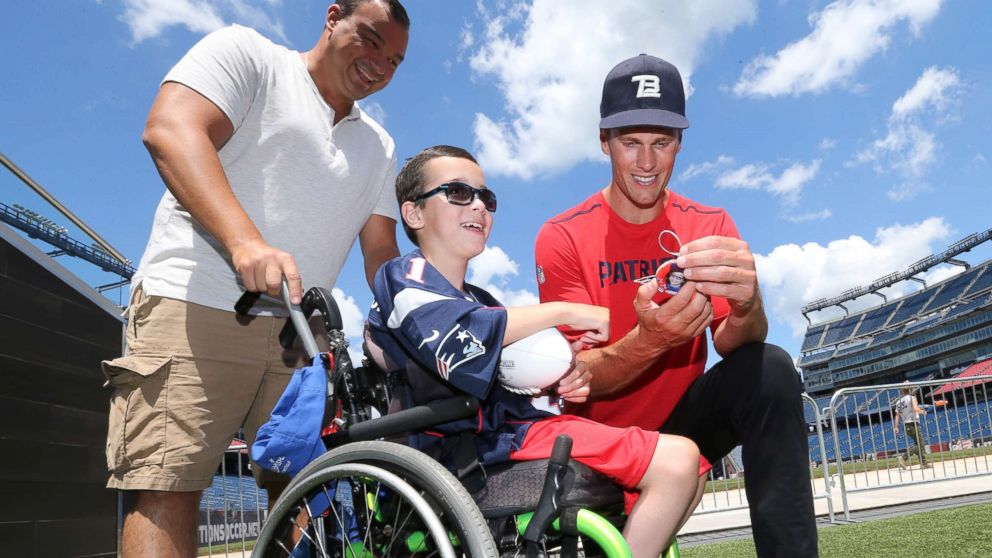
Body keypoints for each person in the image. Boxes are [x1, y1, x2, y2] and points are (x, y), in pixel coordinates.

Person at [102, 2, 409, 556]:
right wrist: (244, 240)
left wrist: (423, 313)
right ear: (333, 16)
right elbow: (171, 129)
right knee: (170, 487)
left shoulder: (379, 146)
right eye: (369, 39)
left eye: (394, 60)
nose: (379, 65)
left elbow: (381, 251)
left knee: (309, 498)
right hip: (195, 303)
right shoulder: (250, 56)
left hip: (303, 340)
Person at [534, 54, 818, 557]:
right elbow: (580, 377)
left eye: (661, 143)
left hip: (680, 423)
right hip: (599, 439)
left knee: (772, 368)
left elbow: (735, 343)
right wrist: (652, 340)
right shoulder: (562, 236)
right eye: (631, 143)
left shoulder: (709, 223)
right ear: (604, 142)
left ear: (680, 144)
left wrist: (749, 302)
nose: (646, 163)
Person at [367, 145, 703, 556]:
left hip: (505, 433)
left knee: (694, 469)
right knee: (679, 461)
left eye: (485, 198)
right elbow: (461, 349)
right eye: (458, 193)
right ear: (414, 213)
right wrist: (562, 311)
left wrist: (562, 374)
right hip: (459, 451)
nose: (479, 206)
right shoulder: (403, 277)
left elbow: (508, 370)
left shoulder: (480, 299)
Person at [894, 384, 930, 469]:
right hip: (913, 424)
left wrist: (896, 427)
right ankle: (903, 457)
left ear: (902, 390)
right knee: (920, 445)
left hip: (906, 425)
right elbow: (915, 409)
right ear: (910, 390)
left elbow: (897, 415)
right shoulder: (912, 398)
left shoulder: (898, 402)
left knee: (917, 444)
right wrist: (923, 412)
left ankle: (923, 463)